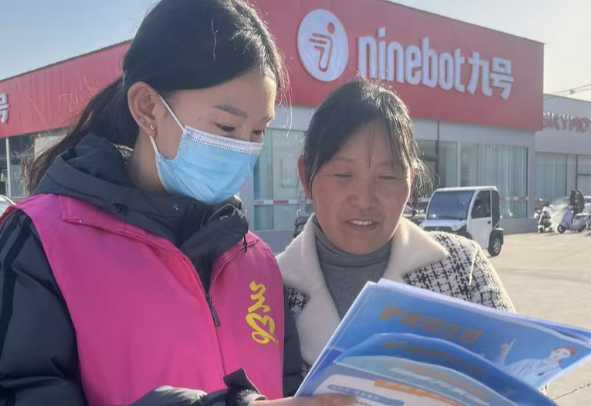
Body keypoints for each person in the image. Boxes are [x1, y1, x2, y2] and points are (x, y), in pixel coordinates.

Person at [0, 1, 350, 405]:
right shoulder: (41, 242)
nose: (243, 148)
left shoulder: (256, 261)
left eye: (258, 131)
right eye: (226, 126)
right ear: (148, 107)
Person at [278, 79, 515, 369]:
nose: (365, 199)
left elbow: (525, 377)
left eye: (387, 177)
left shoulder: (463, 266)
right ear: (306, 177)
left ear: (410, 180)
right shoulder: (269, 289)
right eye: (343, 175)